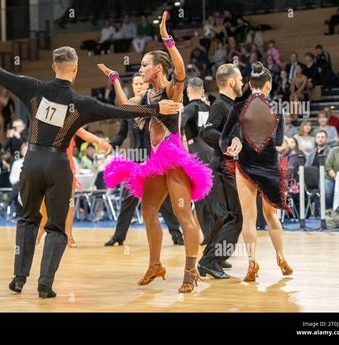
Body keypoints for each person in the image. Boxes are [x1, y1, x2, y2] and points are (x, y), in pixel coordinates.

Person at [0, 42, 180, 298]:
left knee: (27, 218)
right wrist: (155, 109)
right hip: (59, 165)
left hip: (32, 162)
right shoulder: (81, 103)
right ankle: (45, 284)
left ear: (53, 66)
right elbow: (119, 111)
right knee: (57, 228)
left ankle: (19, 278)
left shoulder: (33, 87)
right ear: (75, 69)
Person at [100, 11, 213, 293]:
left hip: (173, 157)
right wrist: (115, 79)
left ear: (158, 69)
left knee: (183, 214)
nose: (140, 70)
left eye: (144, 65)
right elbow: (126, 108)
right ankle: (155, 265)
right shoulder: (148, 96)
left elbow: (182, 72)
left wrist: (167, 40)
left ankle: (190, 270)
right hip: (155, 161)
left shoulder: (171, 91)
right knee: (148, 210)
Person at [220, 62, 293, 282]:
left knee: (249, 218)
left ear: (250, 84)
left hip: (245, 166)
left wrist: (230, 146)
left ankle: (252, 262)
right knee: (272, 217)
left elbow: (224, 139)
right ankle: (281, 258)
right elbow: (279, 141)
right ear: (268, 85)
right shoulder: (276, 107)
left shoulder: (238, 106)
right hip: (270, 166)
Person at [102, 72, 184, 247]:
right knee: (128, 197)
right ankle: (119, 236)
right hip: (133, 159)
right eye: (136, 84)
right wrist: (111, 145)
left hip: (153, 158)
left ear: (147, 85)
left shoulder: (154, 106)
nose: (139, 86)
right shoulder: (130, 109)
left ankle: (176, 234)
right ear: (132, 86)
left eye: (141, 83)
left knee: (163, 201)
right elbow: (121, 134)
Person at [196, 64, 244, 279]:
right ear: (232, 81)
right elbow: (206, 132)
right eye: (240, 79)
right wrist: (229, 140)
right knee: (235, 217)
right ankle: (209, 261)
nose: (242, 83)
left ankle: (215, 256)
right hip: (222, 166)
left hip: (227, 166)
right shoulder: (219, 105)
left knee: (226, 216)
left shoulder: (231, 105)